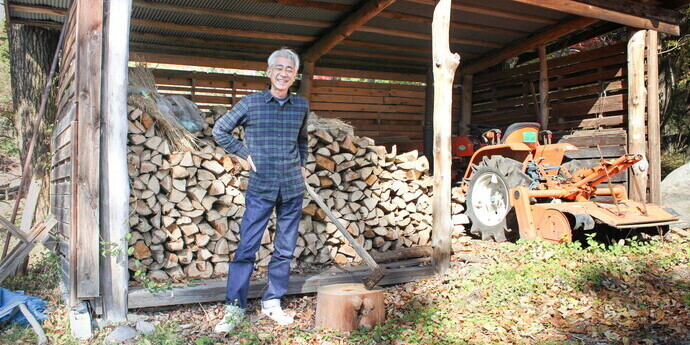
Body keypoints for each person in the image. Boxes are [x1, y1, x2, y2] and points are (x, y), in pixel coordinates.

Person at [211, 48, 309, 333]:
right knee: (247, 247)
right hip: (261, 187)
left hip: (292, 188)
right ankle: (234, 307)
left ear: (294, 75)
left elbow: (302, 140)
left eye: (289, 69)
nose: (283, 73)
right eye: (278, 67)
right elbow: (220, 130)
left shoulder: (301, 106)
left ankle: (273, 301)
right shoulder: (251, 104)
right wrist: (243, 152)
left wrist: (302, 164)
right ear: (268, 72)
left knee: (285, 249)